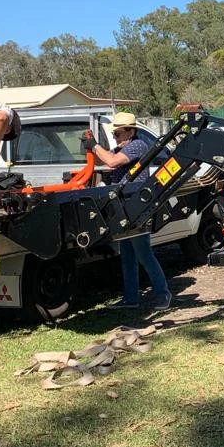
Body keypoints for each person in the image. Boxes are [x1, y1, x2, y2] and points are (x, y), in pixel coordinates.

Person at [83, 111, 172, 311]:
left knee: (143, 253)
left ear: (131, 131)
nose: (116, 137)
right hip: (124, 205)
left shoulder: (138, 145)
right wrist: (91, 149)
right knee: (128, 255)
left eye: (118, 133)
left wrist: (95, 146)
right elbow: (104, 161)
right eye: (114, 134)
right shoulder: (124, 146)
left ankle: (163, 294)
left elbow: (112, 162)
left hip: (136, 205)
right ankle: (131, 298)